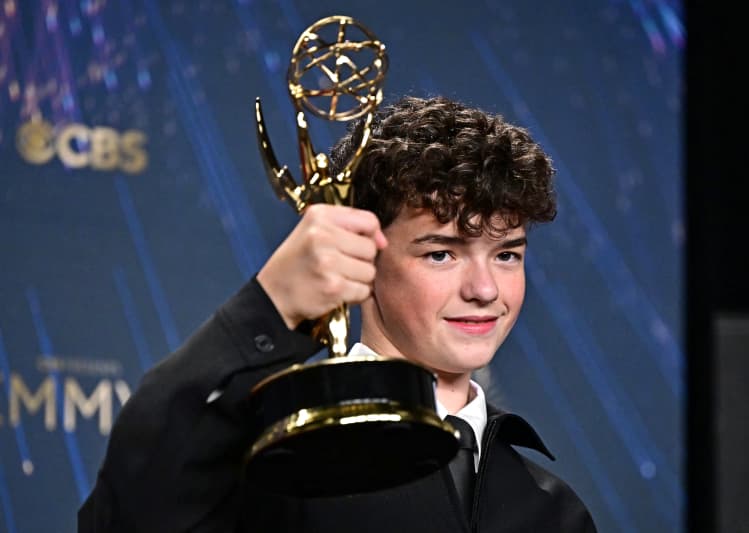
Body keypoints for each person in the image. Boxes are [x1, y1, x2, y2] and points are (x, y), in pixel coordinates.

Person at [78, 96, 597, 532]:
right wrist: (267, 308)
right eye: (441, 253)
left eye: (507, 254)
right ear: (362, 254)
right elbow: (125, 512)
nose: (485, 290)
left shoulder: (555, 511)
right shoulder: (273, 470)